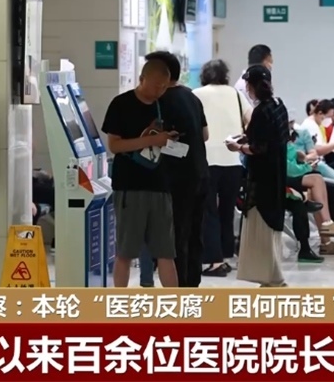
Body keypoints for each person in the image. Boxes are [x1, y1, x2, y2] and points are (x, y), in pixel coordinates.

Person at [101, 58, 179, 288]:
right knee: (125, 251)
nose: (159, 91)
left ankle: (176, 304)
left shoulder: (166, 105)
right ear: (141, 79)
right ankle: (120, 303)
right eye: (155, 85)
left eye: (164, 86)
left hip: (160, 186)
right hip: (130, 187)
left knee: (166, 252)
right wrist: (152, 140)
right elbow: (115, 145)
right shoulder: (121, 104)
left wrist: (171, 142)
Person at [226, 65, 289, 287]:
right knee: (271, 229)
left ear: (250, 86)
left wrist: (237, 147)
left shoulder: (261, 111)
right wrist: (246, 138)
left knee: (261, 226)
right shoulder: (279, 105)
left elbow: (259, 148)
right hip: (278, 175)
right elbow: (274, 138)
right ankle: (272, 276)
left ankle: (271, 278)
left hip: (261, 179)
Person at [153, 51, 209, 289]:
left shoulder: (161, 101)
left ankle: (179, 287)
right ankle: (192, 283)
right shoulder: (192, 96)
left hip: (177, 178)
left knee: (176, 234)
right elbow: (205, 134)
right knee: (194, 232)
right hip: (200, 172)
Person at [192, 59, 250, 278]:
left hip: (206, 160)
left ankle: (214, 261)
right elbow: (251, 119)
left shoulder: (196, 94)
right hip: (233, 160)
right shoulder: (236, 94)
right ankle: (226, 255)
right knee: (227, 210)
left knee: (208, 211)